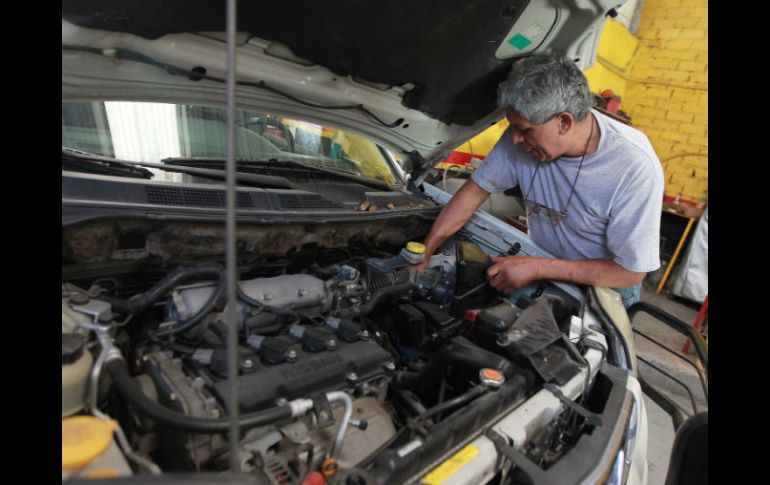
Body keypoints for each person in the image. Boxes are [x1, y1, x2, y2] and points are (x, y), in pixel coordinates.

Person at [417, 55, 664, 308]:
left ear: (564, 122)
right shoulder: (523, 136)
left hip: (605, 292)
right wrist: (424, 251)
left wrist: (537, 267)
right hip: (545, 265)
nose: (515, 139)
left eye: (525, 130)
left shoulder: (634, 166)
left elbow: (630, 272)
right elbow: (474, 191)